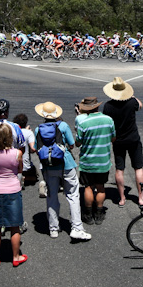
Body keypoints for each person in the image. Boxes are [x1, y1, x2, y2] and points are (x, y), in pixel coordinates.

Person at [34, 101, 91, 240]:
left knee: (52, 196)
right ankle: (77, 228)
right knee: (73, 195)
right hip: (66, 164)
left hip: (49, 166)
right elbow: (72, 145)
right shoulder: (63, 126)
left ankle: (53, 228)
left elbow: (36, 148)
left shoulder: (38, 129)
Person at [102, 77, 143, 207]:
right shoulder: (131, 102)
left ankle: (122, 198)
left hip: (118, 139)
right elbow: (140, 105)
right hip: (133, 138)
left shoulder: (108, 106)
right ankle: (141, 197)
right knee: (138, 167)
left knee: (119, 168)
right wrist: (132, 96)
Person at [0, 123, 26, 267]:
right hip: (13, 189)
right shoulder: (17, 153)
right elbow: (19, 169)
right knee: (15, 226)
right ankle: (16, 257)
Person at [75, 97, 116, 224]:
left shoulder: (83, 123)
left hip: (88, 161)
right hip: (103, 161)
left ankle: (88, 214)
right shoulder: (108, 120)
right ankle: (99, 213)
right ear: (97, 107)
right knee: (101, 187)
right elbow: (113, 138)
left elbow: (78, 143)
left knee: (88, 187)